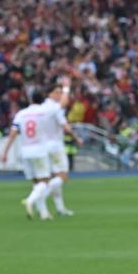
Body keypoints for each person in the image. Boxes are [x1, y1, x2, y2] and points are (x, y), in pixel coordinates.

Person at [1, 89, 61, 221]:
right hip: (40, 150)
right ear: (43, 100)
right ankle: (30, 200)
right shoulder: (45, 112)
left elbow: (13, 133)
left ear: (30, 100)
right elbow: (60, 107)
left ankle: (43, 213)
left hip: (25, 151)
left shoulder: (21, 114)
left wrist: (5, 151)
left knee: (36, 183)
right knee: (44, 181)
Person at [43, 82, 84, 216]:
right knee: (63, 175)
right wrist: (77, 138)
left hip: (44, 147)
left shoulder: (42, 107)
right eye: (57, 92)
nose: (60, 95)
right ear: (50, 93)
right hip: (56, 146)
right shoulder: (55, 108)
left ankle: (60, 208)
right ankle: (38, 196)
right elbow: (66, 127)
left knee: (53, 176)